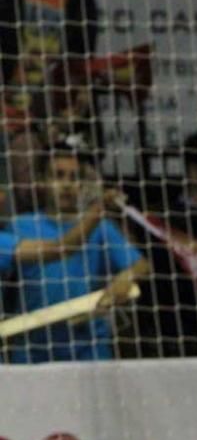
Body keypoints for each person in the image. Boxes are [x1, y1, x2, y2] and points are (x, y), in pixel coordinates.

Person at [7, 141, 149, 363]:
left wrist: (125, 279)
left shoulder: (101, 227)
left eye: (74, 178)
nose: (67, 185)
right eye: (58, 176)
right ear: (42, 182)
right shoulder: (20, 226)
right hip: (32, 344)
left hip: (88, 343)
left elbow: (140, 265)